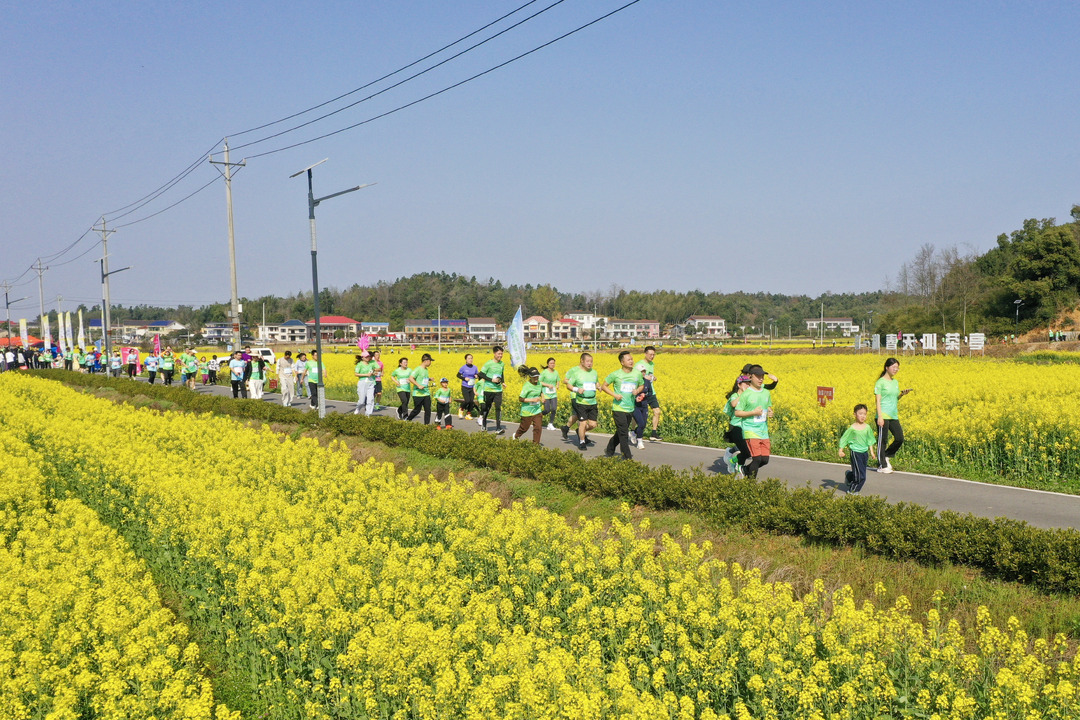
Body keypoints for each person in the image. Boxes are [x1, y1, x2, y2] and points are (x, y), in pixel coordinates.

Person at [600, 350, 644, 460]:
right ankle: (627, 458)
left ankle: (609, 449)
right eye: (628, 359)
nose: (631, 361)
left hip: (630, 408)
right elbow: (604, 386)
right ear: (622, 362)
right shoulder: (616, 374)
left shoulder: (637, 374)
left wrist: (637, 390)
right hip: (618, 408)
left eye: (632, 359)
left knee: (620, 432)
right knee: (624, 433)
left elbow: (642, 386)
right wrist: (614, 395)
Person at [733, 366, 774, 479]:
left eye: (762, 376)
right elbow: (737, 413)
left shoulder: (766, 392)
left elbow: (768, 408)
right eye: (758, 376)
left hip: (763, 430)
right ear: (750, 377)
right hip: (750, 430)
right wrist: (753, 413)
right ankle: (750, 486)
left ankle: (745, 469)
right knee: (757, 459)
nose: (761, 379)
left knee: (765, 460)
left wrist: (770, 413)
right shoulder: (746, 394)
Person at [875, 357, 911, 473]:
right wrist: (879, 416)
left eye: (897, 368)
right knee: (883, 440)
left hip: (893, 415)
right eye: (894, 367)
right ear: (887, 367)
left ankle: (886, 456)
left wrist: (901, 395)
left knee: (900, 438)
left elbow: (894, 399)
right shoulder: (880, 382)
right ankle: (882, 465)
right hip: (883, 415)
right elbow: (878, 401)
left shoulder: (895, 382)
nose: (896, 369)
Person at [561, 352, 599, 450]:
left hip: (592, 401)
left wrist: (598, 386)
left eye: (591, 361)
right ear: (582, 361)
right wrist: (577, 389)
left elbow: (596, 381)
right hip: (577, 397)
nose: (590, 363)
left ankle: (568, 428)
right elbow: (566, 381)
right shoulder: (574, 371)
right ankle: (582, 440)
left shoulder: (594, 372)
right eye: (588, 361)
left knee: (591, 423)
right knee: (581, 420)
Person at [840, 404, 877, 494]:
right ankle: (852, 490)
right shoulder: (852, 428)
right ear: (855, 414)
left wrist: (872, 452)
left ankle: (849, 476)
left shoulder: (867, 427)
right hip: (855, 452)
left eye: (865, 414)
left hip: (864, 453)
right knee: (861, 476)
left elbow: (870, 440)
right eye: (860, 414)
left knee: (860, 472)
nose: (863, 416)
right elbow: (844, 438)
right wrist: (840, 450)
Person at [722, 374, 752, 476]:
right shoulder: (735, 396)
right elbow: (734, 404)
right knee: (746, 452)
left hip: (746, 427)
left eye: (749, 383)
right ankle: (731, 461)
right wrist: (744, 395)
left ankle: (738, 471)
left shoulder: (748, 396)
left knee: (745, 452)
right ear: (739, 385)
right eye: (746, 383)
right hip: (736, 427)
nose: (748, 385)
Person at [633, 346, 662, 442]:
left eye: (654, 354)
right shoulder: (639, 364)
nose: (652, 356)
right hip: (641, 392)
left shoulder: (652, 364)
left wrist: (653, 377)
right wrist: (645, 377)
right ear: (645, 354)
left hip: (651, 391)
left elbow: (650, 376)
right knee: (638, 414)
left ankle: (653, 433)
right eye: (650, 354)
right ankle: (633, 430)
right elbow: (635, 377)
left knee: (657, 411)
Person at [477, 346, 506, 435]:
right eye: (499, 354)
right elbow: (480, 374)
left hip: (498, 390)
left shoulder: (502, 364)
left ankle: (498, 428)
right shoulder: (488, 364)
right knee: (487, 408)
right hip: (488, 390)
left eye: (501, 354)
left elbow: (501, 374)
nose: (500, 355)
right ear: (494, 353)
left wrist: (503, 382)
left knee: (498, 408)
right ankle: (484, 424)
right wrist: (491, 380)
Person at [514, 366, 545, 444]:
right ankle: (516, 436)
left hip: (537, 410)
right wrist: (532, 400)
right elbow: (521, 399)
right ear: (530, 377)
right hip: (527, 411)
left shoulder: (539, 384)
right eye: (534, 377)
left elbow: (541, 391)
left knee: (538, 427)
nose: (536, 378)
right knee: (524, 428)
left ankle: (535, 445)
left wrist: (543, 397)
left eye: (537, 376)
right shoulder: (526, 386)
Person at [407, 353, 433, 424]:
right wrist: (418, 385)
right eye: (430, 361)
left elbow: (423, 379)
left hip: (426, 393)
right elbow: (411, 378)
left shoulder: (426, 370)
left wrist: (429, 379)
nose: (430, 363)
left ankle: (426, 425)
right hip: (418, 393)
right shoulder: (418, 369)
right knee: (417, 410)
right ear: (426, 361)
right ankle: (408, 420)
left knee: (428, 410)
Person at [456, 353, 480, 419]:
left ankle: (468, 414)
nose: (470, 360)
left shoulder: (475, 367)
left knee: (471, 401)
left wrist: (477, 376)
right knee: (467, 400)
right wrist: (464, 378)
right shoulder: (463, 367)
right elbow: (458, 375)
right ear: (466, 360)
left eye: (471, 358)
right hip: (465, 386)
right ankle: (461, 409)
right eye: (469, 358)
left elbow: (477, 375)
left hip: (472, 387)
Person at [539, 357, 560, 430]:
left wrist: (557, 385)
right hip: (546, 393)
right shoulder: (544, 372)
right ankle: (538, 417)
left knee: (554, 408)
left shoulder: (556, 372)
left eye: (553, 363)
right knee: (547, 410)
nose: (552, 364)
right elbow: (540, 382)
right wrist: (548, 385)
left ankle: (550, 424)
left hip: (553, 393)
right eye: (551, 363)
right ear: (548, 364)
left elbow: (558, 380)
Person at [353, 352, 376, 416]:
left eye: (368, 356)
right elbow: (356, 374)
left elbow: (374, 370)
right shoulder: (359, 365)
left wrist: (374, 373)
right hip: (362, 383)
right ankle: (358, 408)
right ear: (362, 358)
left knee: (370, 399)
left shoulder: (371, 364)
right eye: (366, 357)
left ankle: (368, 414)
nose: (368, 358)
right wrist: (366, 375)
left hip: (371, 382)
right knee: (362, 401)